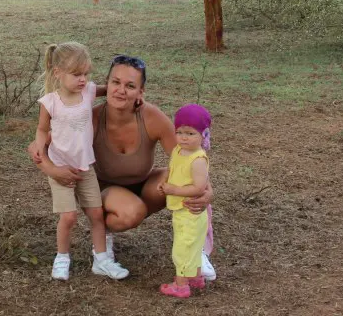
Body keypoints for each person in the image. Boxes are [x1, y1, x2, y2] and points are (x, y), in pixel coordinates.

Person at [29, 54, 216, 279]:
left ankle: (197, 253)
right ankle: (103, 236)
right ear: (106, 84)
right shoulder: (89, 117)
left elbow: (189, 157)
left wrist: (206, 190)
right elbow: (38, 146)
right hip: (104, 191)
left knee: (187, 181)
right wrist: (51, 169)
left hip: (144, 184)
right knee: (131, 213)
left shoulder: (152, 117)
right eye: (115, 82)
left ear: (141, 92)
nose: (120, 90)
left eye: (130, 86)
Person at [34, 42, 129, 281]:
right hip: (60, 168)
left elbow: (109, 90)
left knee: (96, 215)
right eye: (77, 74)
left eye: (86, 74)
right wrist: (40, 150)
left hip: (86, 167)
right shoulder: (50, 102)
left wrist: (126, 90)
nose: (83, 80)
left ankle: (101, 259)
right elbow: (42, 129)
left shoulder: (87, 91)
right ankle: (62, 257)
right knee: (69, 217)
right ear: (58, 73)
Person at [156, 104, 212, 298]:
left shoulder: (198, 159)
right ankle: (196, 278)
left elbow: (199, 187)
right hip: (181, 210)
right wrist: (165, 182)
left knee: (184, 247)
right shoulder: (178, 151)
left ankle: (181, 285)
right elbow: (173, 171)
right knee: (191, 245)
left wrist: (174, 190)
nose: (184, 137)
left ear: (202, 135)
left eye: (190, 133)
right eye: (179, 132)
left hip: (191, 211)